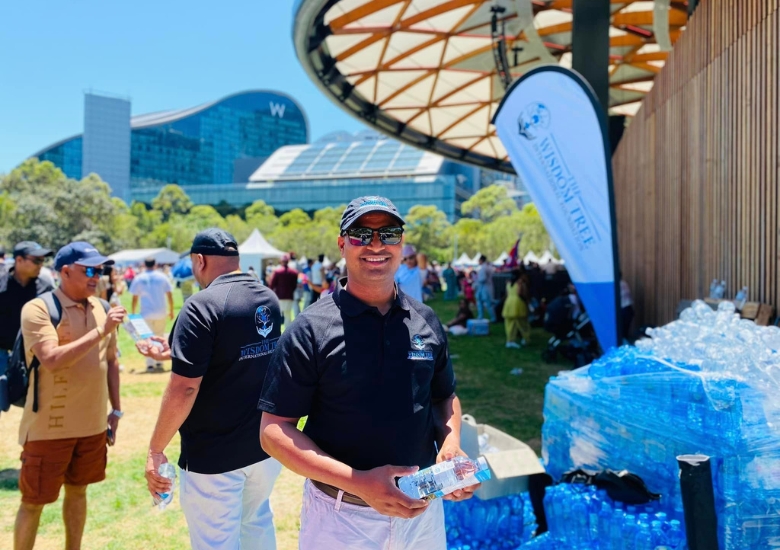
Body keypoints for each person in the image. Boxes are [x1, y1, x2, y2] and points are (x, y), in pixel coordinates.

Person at [259, 195, 476, 550]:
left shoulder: (427, 320)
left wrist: (451, 447)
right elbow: (274, 430)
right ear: (342, 244)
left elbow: (443, 396)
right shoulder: (310, 328)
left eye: (388, 234)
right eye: (362, 234)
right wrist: (358, 481)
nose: (376, 244)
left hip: (422, 512)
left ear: (401, 244)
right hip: (341, 516)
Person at [139, 228, 284, 550]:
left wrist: (155, 449)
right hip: (264, 445)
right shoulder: (266, 297)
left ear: (199, 260)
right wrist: (174, 348)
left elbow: (184, 389)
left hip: (216, 454)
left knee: (215, 542)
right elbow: (236, 350)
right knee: (257, 525)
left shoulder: (201, 305)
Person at [14, 242, 125, 550]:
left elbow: (112, 362)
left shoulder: (101, 307)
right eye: (89, 270)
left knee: (78, 492)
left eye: (100, 270)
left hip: (91, 428)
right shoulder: (38, 309)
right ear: (64, 272)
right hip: (49, 428)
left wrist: (116, 411)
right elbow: (51, 359)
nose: (96, 276)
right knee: (33, 502)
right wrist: (101, 331)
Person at [0, 242, 55, 375]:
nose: (41, 264)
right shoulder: (2, 285)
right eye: (37, 260)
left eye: (43, 260)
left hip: (32, 356)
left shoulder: (45, 288)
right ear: (19, 260)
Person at [130, 258, 174, 372]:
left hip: (146, 312)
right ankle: (159, 361)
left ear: (144, 265)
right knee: (159, 336)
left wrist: (133, 312)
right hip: (161, 311)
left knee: (147, 338)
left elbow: (135, 297)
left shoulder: (139, 277)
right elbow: (169, 294)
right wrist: (172, 309)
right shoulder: (162, 277)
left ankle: (150, 363)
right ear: (155, 264)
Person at [268, 254, 299, 328]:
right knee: (288, 315)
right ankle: (287, 333)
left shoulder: (277, 271)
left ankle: (277, 331)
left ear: (281, 261)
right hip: (289, 296)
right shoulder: (294, 272)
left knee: (278, 315)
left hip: (279, 296)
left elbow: (272, 284)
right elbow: (294, 285)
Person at [502, 270, 530, 348]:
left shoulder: (508, 283)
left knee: (509, 324)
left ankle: (510, 340)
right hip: (518, 303)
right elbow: (520, 293)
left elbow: (507, 294)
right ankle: (525, 338)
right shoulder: (520, 283)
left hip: (509, 303)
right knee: (522, 322)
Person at [475, 255, 496, 323]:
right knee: (481, 302)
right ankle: (481, 316)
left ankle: (493, 318)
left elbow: (483, 278)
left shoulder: (484, 268)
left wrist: (477, 281)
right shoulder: (486, 267)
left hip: (485, 287)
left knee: (488, 303)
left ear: (481, 260)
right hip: (483, 287)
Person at [620, 277, 635, 342]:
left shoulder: (617, 285)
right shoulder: (623, 283)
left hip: (623, 309)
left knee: (622, 333)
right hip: (629, 309)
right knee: (625, 332)